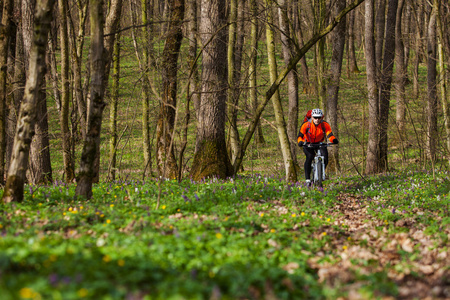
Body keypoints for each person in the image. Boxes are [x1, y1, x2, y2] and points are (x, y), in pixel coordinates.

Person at [297, 108, 338, 185]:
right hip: (308, 143)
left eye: (319, 117)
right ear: (312, 117)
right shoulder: (306, 125)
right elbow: (300, 135)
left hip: (319, 143)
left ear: (321, 117)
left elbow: (330, 134)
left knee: (325, 158)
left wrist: (333, 140)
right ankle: (308, 179)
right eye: (315, 117)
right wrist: (300, 142)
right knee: (309, 157)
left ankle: (320, 173)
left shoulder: (325, 125)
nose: (317, 119)